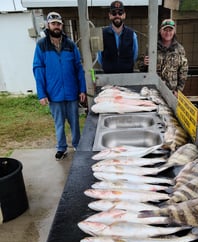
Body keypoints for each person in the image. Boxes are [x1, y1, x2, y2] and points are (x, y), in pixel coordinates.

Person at [33, 11, 87, 161]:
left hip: (71, 92)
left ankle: (78, 144)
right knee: (59, 124)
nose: (56, 26)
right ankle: (61, 148)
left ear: (62, 25)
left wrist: (82, 89)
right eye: (53, 23)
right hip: (54, 93)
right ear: (48, 25)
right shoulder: (42, 45)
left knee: (74, 122)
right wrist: (41, 93)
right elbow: (38, 69)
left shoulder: (70, 45)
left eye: (58, 23)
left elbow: (78, 68)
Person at [138, 19, 188, 97]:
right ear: (160, 31)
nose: (168, 33)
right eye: (165, 30)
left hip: (171, 92)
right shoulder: (152, 47)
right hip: (153, 90)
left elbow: (183, 71)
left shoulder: (180, 49)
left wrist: (178, 91)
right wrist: (144, 63)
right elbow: (141, 68)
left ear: (174, 32)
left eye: (170, 30)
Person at [97, 1, 138, 73]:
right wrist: (108, 67)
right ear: (110, 15)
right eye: (114, 13)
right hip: (109, 77)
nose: (117, 15)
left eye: (120, 13)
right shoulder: (102, 34)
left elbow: (135, 55)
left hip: (127, 76)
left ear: (124, 15)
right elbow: (99, 57)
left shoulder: (132, 34)